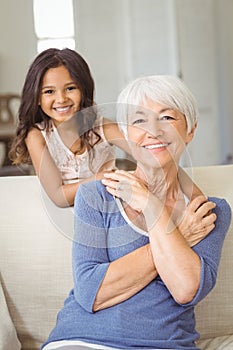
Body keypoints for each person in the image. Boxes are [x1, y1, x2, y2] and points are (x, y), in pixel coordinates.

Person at [41, 75, 231, 350]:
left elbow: (186, 288)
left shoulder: (207, 212)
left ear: (190, 130)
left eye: (167, 117)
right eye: (139, 120)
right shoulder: (96, 196)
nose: (153, 131)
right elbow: (90, 292)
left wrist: (152, 207)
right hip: (81, 340)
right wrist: (178, 237)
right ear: (127, 133)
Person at [10, 48, 202, 208]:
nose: (61, 99)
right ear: (36, 97)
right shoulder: (36, 135)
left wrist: (196, 197)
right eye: (49, 91)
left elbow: (155, 155)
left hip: (111, 206)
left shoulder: (102, 127)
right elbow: (59, 197)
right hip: (73, 211)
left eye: (70, 88)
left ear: (83, 89)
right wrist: (101, 178)